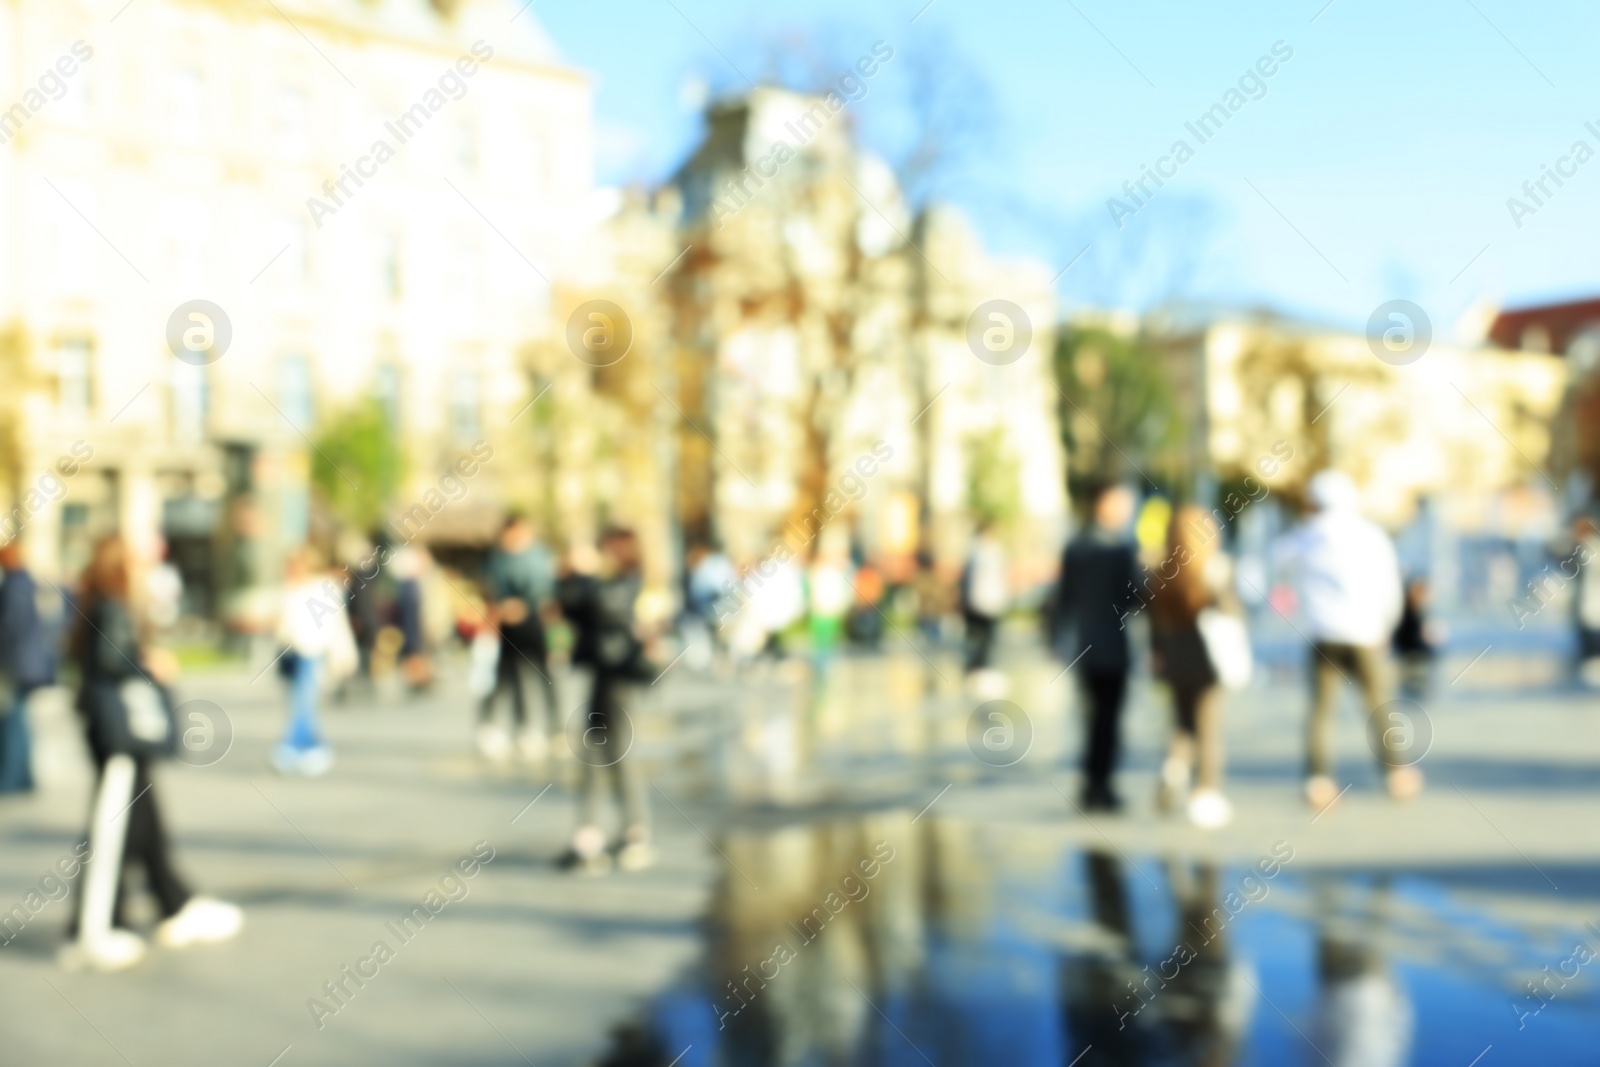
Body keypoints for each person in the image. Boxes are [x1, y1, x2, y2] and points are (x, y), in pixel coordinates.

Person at [62, 535, 241, 971]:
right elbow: (111, 660)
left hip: (117, 731)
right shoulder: (110, 605)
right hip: (118, 734)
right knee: (113, 828)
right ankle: (93, 930)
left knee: (143, 823)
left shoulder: (100, 601)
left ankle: (174, 902)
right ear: (121, 567)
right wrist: (150, 664)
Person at [1276, 470, 1412, 810]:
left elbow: (1276, 560)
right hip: (1364, 632)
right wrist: (1387, 625)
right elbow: (1389, 586)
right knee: (1378, 704)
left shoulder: (1306, 536)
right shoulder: (1370, 535)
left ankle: (1319, 781)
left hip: (1323, 633)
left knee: (1321, 711)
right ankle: (1395, 773)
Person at [566, 527, 655, 874]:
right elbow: (571, 607)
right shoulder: (604, 582)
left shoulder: (629, 580)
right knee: (597, 750)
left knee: (616, 751)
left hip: (621, 672)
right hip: (604, 671)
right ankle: (596, 833)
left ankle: (632, 833)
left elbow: (605, 609)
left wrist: (586, 575)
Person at [1149, 507, 1237, 828]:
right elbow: (1231, 614)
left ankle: (1172, 771)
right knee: (1208, 729)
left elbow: (1155, 626)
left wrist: (1157, 655)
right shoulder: (1214, 572)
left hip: (1174, 659)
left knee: (1182, 724)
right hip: (1208, 661)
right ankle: (1205, 794)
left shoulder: (1161, 573)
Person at [1054, 483, 1140, 811]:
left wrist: (1057, 639)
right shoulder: (1121, 550)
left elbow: (1064, 599)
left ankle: (1092, 783)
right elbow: (1134, 596)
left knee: (1093, 719)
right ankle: (1101, 785)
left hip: (1084, 645)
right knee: (1108, 720)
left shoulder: (1075, 547)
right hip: (1113, 647)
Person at [478, 514, 558, 762]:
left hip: (533, 622)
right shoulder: (497, 559)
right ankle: (519, 727)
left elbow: (546, 588)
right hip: (506, 624)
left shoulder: (538, 555)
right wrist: (503, 607)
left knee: (544, 674)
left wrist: (525, 606)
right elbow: (490, 588)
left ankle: (552, 727)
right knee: (508, 677)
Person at [272, 547, 344, 776]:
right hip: (291, 652)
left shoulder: (322, 588)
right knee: (299, 701)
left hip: (312, 652)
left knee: (303, 702)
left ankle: (293, 747)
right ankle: (312, 747)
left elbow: (336, 626)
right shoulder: (288, 589)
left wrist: (342, 655)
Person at [0, 540, 52, 794]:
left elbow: (12, 629)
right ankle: (22, 777)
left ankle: (12, 777)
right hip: (24, 663)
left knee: (12, 720)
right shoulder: (22, 584)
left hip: (15, 664)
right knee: (17, 718)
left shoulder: (14, 587)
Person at [960, 521, 1009, 680]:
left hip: (982, 601)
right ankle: (978, 666)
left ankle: (977, 666)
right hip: (985, 601)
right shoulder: (986, 552)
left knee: (980, 637)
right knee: (982, 638)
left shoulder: (978, 552)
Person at [1391, 576, 1439, 701]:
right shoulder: (1408, 613)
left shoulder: (1414, 611)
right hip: (1413, 658)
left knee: (1416, 693)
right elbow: (1408, 638)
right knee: (1414, 693)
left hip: (1416, 658)